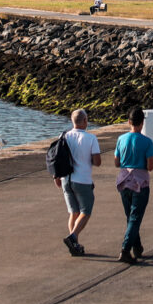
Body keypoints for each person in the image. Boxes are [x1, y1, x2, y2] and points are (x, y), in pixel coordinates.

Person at [56, 108, 101, 256]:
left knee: (73, 212)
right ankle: (73, 237)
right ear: (84, 121)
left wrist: (56, 177)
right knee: (85, 211)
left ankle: (74, 244)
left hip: (66, 180)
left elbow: (57, 158)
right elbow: (97, 162)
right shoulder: (91, 138)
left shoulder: (64, 136)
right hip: (82, 180)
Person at [113, 106, 153, 265]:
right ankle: (125, 249)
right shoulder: (147, 141)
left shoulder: (121, 139)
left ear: (129, 121)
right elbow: (150, 166)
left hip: (124, 181)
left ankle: (137, 247)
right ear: (142, 123)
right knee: (135, 217)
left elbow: (117, 162)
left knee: (130, 217)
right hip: (140, 182)